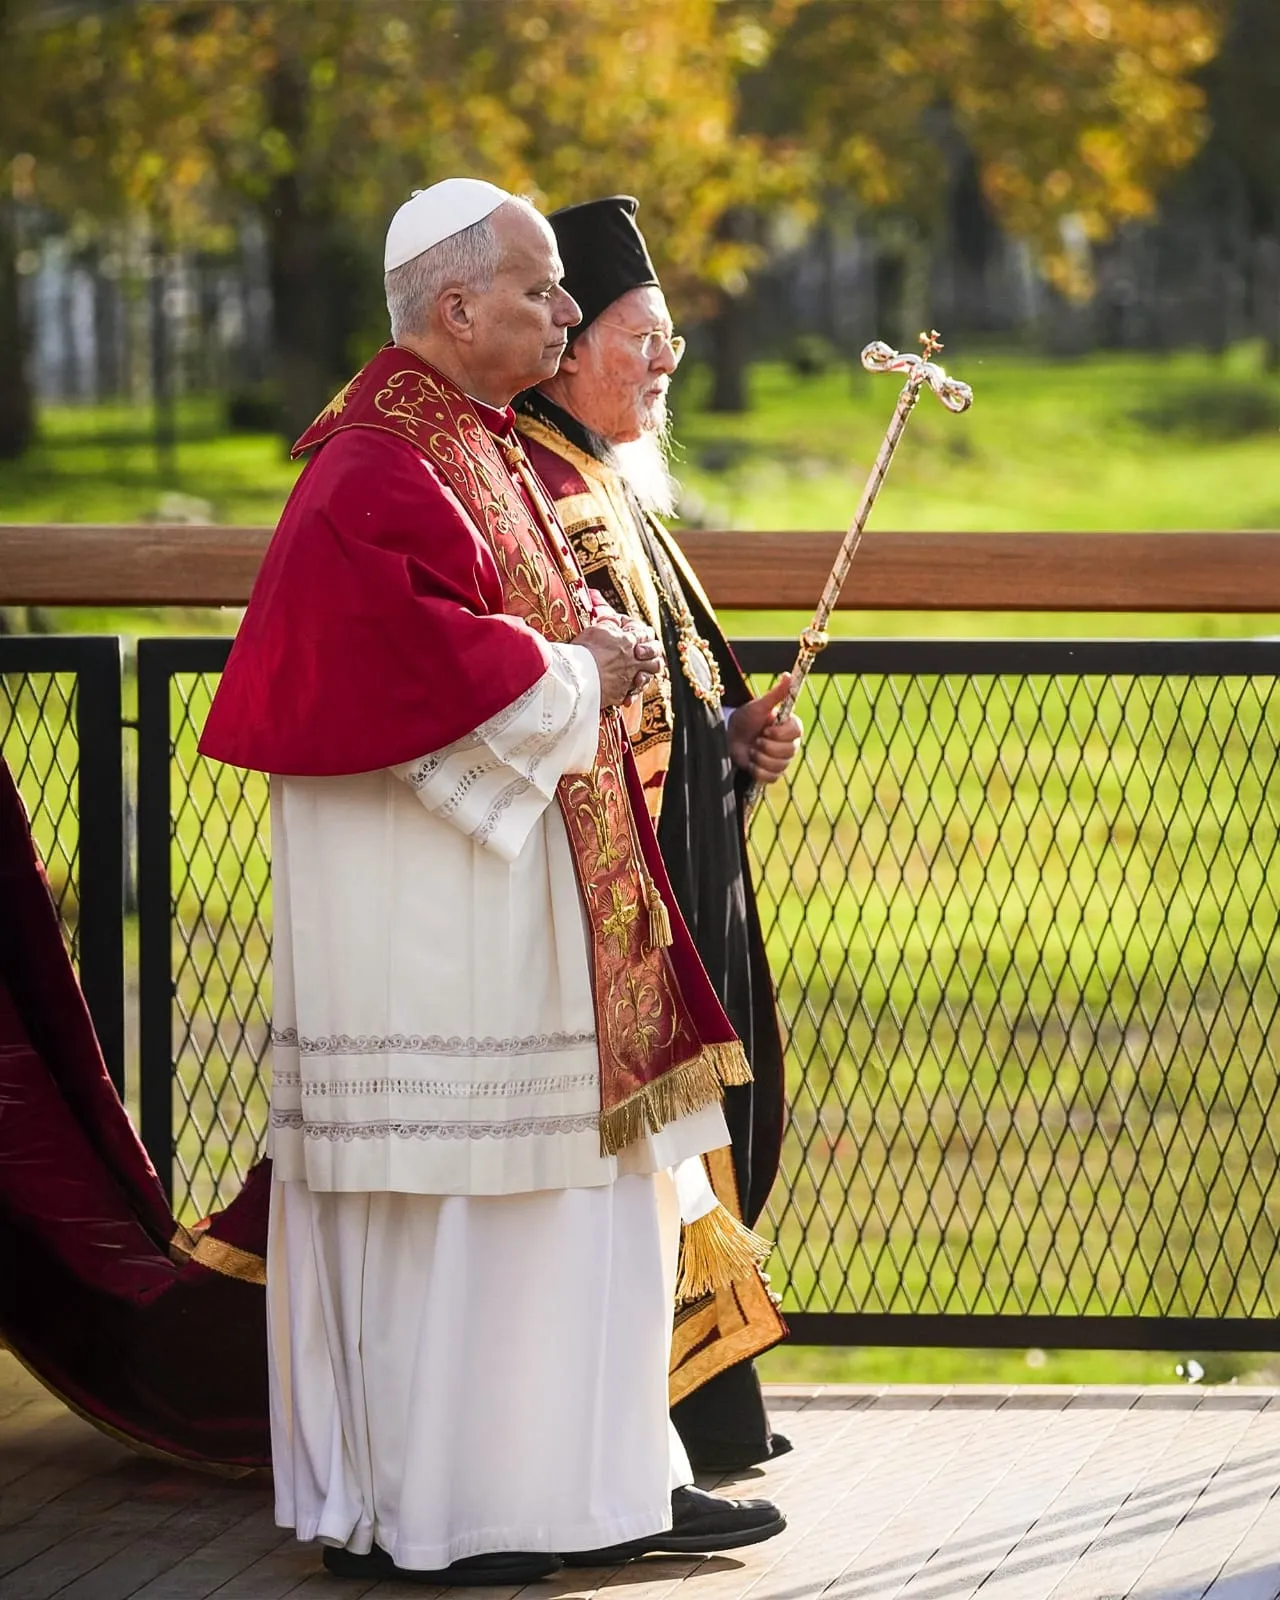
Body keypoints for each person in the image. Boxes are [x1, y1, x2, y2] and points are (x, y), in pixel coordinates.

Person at [197, 179, 786, 1586]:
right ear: (455, 311)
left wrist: (588, 656)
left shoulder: (472, 442)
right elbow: (400, 666)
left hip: (525, 917)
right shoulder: (372, 467)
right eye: (541, 292)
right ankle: (471, 1510)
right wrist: (582, 668)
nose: (568, 312)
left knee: (583, 1203)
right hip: (447, 955)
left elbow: (504, 625)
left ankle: (604, 1482)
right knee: (492, 1212)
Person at [516, 195, 803, 1474]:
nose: (666, 359)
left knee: (709, 1142)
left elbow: (668, 691)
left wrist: (733, 741)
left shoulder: (606, 474)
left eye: (670, 335)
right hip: (614, 892)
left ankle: (707, 1415)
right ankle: (659, 1435)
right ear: (567, 344)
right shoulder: (540, 476)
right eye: (645, 334)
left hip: (687, 867)